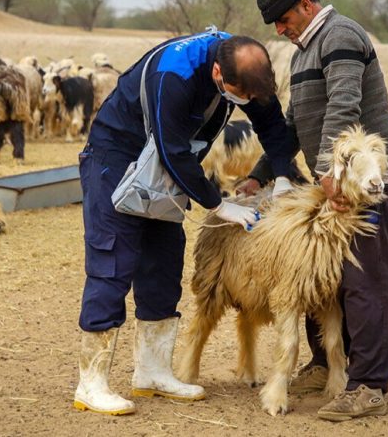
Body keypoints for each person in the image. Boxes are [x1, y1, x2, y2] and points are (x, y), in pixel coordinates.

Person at [73, 28, 297, 415]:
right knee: (113, 260)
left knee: (164, 259)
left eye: (250, 97)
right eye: (239, 96)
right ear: (216, 75)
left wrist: (280, 177)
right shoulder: (173, 74)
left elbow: (274, 126)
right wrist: (219, 205)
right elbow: (172, 149)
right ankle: (91, 384)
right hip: (117, 156)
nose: (245, 103)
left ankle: (152, 372)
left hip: (165, 164)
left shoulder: (246, 70)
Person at [239, 0, 388, 422]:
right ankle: (323, 365)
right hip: (330, 185)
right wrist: (259, 174)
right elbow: (296, 123)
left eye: (282, 18)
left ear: (306, 6)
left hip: (364, 187)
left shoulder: (341, 36)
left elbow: (344, 106)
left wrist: (329, 174)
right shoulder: (303, 52)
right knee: (317, 279)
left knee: (365, 284)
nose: (279, 28)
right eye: (273, 22)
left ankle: (369, 383)